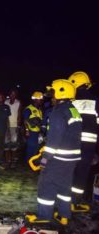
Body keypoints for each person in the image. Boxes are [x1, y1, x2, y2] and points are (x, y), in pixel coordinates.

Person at [26, 79, 82, 225]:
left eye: (53, 94)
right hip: (72, 158)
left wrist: (44, 160)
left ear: (60, 93)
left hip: (58, 158)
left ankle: (44, 216)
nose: (51, 97)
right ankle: (64, 216)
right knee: (65, 186)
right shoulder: (73, 110)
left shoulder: (58, 112)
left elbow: (54, 141)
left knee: (46, 185)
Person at [68, 71, 99, 212]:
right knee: (82, 172)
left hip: (71, 143)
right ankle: (76, 201)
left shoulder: (70, 102)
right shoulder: (96, 102)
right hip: (89, 145)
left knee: (69, 170)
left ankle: (64, 199)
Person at [23, 91, 43, 162]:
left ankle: (33, 163)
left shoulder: (39, 110)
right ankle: (28, 163)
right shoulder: (29, 109)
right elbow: (25, 120)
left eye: (41, 99)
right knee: (30, 148)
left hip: (38, 133)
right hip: (31, 132)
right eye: (39, 99)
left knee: (36, 148)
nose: (41, 100)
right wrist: (27, 130)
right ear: (35, 100)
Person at [4, 89, 22, 168]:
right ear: (9, 94)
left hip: (14, 126)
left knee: (14, 144)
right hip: (6, 126)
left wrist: (18, 126)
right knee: (6, 144)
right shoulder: (6, 102)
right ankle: (8, 161)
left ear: (16, 95)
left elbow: (19, 114)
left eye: (14, 94)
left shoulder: (18, 102)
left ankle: (13, 161)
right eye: (11, 94)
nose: (12, 96)